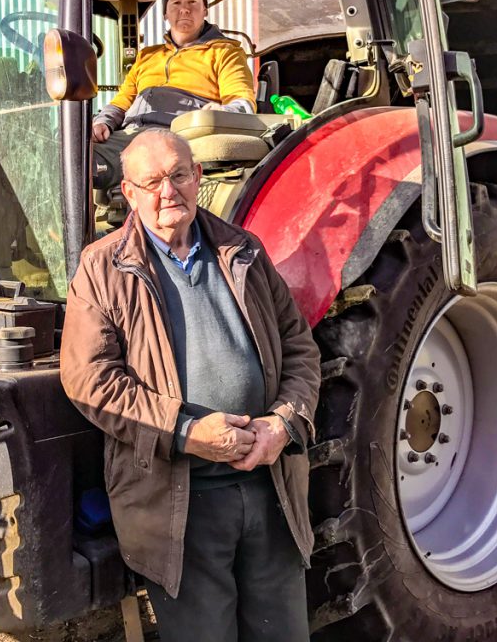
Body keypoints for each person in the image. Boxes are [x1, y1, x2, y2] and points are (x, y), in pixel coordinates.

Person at [60, 129, 321, 641]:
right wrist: (185, 431)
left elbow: (300, 349)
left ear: (198, 176)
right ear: (128, 194)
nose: (168, 192)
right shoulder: (103, 267)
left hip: (270, 491)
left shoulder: (243, 249)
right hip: (181, 506)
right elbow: (90, 379)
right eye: (152, 181)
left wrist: (283, 425)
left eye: (178, 175)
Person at [91, 0, 257, 191]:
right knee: (68, 148)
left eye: (193, 1)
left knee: (84, 163)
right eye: (176, 2)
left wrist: (224, 112)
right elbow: (122, 101)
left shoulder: (225, 51)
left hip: (172, 135)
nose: (185, 9)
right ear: (166, 13)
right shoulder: (147, 56)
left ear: (205, 9)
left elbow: (242, 101)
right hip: (129, 133)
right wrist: (103, 121)